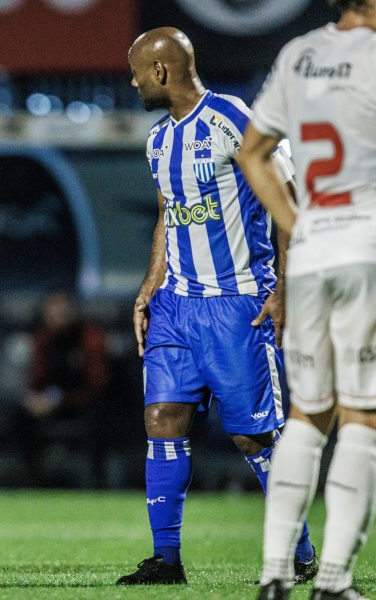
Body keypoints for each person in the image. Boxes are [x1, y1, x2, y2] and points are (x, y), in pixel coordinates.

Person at [117, 28, 317, 586]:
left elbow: (288, 202)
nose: (131, 82)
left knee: (252, 437)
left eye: (136, 72)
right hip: (176, 306)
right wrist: (150, 283)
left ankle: (299, 552)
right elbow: (168, 213)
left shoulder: (231, 118)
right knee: (161, 420)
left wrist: (285, 288)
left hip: (237, 305)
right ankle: (166, 560)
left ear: (161, 72)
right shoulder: (159, 140)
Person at [238, 1, 376, 598]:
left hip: (315, 250)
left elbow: (252, 152)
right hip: (365, 250)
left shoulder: (299, 55)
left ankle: (275, 575)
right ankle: (335, 581)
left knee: (306, 416)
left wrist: (298, 225)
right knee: (361, 419)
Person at [15, 290, 111, 486]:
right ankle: (32, 480)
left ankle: (96, 481)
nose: (58, 317)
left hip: (84, 401)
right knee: (19, 417)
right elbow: (36, 377)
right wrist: (35, 399)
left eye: (63, 312)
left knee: (99, 418)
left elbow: (98, 382)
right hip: (52, 402)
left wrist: (61, 399)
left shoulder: (90, 336)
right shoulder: (43, 338)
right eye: (52, 313)